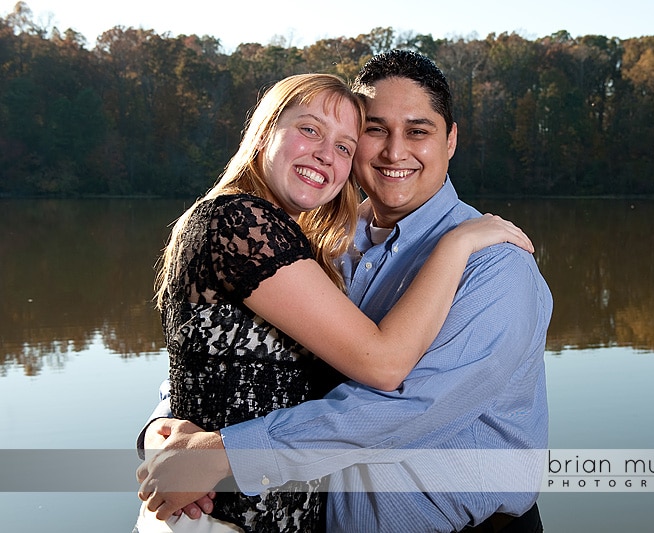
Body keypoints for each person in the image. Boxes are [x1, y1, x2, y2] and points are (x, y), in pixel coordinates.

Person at [138, 50, 552, 532]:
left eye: (418, 131)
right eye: (376, 130)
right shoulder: (318, 241)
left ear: (451, 139)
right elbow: (226, 355)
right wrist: (166, 433)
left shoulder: (495, 264)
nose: (395, 152)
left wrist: (226, 451)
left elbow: (410, 410)